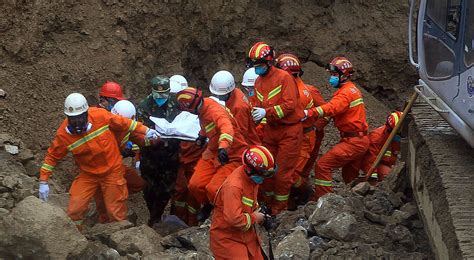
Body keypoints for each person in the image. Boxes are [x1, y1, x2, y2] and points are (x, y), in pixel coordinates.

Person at [38, 93, 159, 230]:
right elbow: (52, 157)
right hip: (88, 174)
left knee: (115, 212)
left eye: (80, 118)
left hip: (112, 170)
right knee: (75, 210)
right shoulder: (63, 135)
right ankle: (77, 238)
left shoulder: (100, 116)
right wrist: (43, 180)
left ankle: (121, 242)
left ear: (86, 113)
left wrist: (145, 130)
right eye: (73, 119)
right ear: (68, 117)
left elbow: (125, 123)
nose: (77, 123)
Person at [246, 42, 304, 215]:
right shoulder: (258, 82)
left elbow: (290, 105)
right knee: (266, 169)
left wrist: (266, 112)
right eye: (254, 65)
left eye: (259, 64)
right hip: (271, 130)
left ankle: (280, 210)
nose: (257, 68)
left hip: (289, 131)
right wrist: (255, 113)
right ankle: (266, 204)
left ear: (269, 62)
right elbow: (256, 103)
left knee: (283, 174)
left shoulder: (284, 78)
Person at [176, 87, 248, 220]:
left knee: (213, 189)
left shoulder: (214, 111)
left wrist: (223, 147)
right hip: (214, 151)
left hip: (232, 154)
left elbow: (226, 127)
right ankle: (209, 204)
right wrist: (202, 136)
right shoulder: (202, 108)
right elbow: (207, 125)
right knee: (195, 185)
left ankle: (220, 212)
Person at [309, 57, 370, 201]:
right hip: (359, 140)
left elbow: (331, 108)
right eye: (331, 75)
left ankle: (324, 201)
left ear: (345, 75)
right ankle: (357, 201)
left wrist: (310, 112)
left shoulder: (345, 93)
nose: (332, 78)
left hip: (353, 142)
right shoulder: (351, 90)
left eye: (335, 75)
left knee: (322, 166)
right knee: (349, 176)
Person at [210, 145, 276, 260]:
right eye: (264, 174)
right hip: (227, 238)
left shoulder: (251, 180)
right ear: (251, 170)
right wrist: (256, 218)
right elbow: (234, 219)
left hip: (246, 235)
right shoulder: (234, 186)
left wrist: (261, 214)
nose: (264, 179)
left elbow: (249, 204)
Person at [274, 53, 324, 207]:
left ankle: (306, 193)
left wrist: (316, 128)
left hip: (304, 137)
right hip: (291, 136)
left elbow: (326, 112)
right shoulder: (286, 88)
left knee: (291, 174)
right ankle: (291, 198)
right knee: (282, 170)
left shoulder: (305, 93)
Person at [137, 75, 181, 226]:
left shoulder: (176, 102)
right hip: (151, 155)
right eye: (158, 95)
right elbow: (141, 130)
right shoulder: (144, 106)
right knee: (149, 189)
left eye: (164, 95)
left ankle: (157, 217)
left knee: (167, 188)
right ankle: (153, 216)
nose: (161, 98)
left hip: (171, 155)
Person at [94, 100, 148, 223]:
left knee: (138, 183)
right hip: (102, 168)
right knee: (105, 198)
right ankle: (108, 217)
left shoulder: (125, 128)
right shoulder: (103, 130)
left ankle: (114, 200)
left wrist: (154, 139)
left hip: (116, 165)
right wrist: (124, 152)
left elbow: (138, 137)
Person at [168, 75, 205, 226]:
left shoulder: (196, 116)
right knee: (179, 191)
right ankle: (177, 221)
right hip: (181, 162)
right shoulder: (177, 113)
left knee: (192, 193)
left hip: (195, 162)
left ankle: (191, 223)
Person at [209, 70, 261, 145]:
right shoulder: (235, 92)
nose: (218, 97)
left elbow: (241, 134)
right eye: (216, 95)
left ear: (229, 92)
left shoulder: (239, 107)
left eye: (221, 95)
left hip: (246, 145)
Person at [359, 111, 403, 184]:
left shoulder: (397, 136)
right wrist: (373, 177)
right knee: (388, 177)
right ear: (390, 129)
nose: (401, 134)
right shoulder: (377, 138)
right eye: (399, 131)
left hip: (388, 162)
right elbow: (370, 159)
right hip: (377, 163)